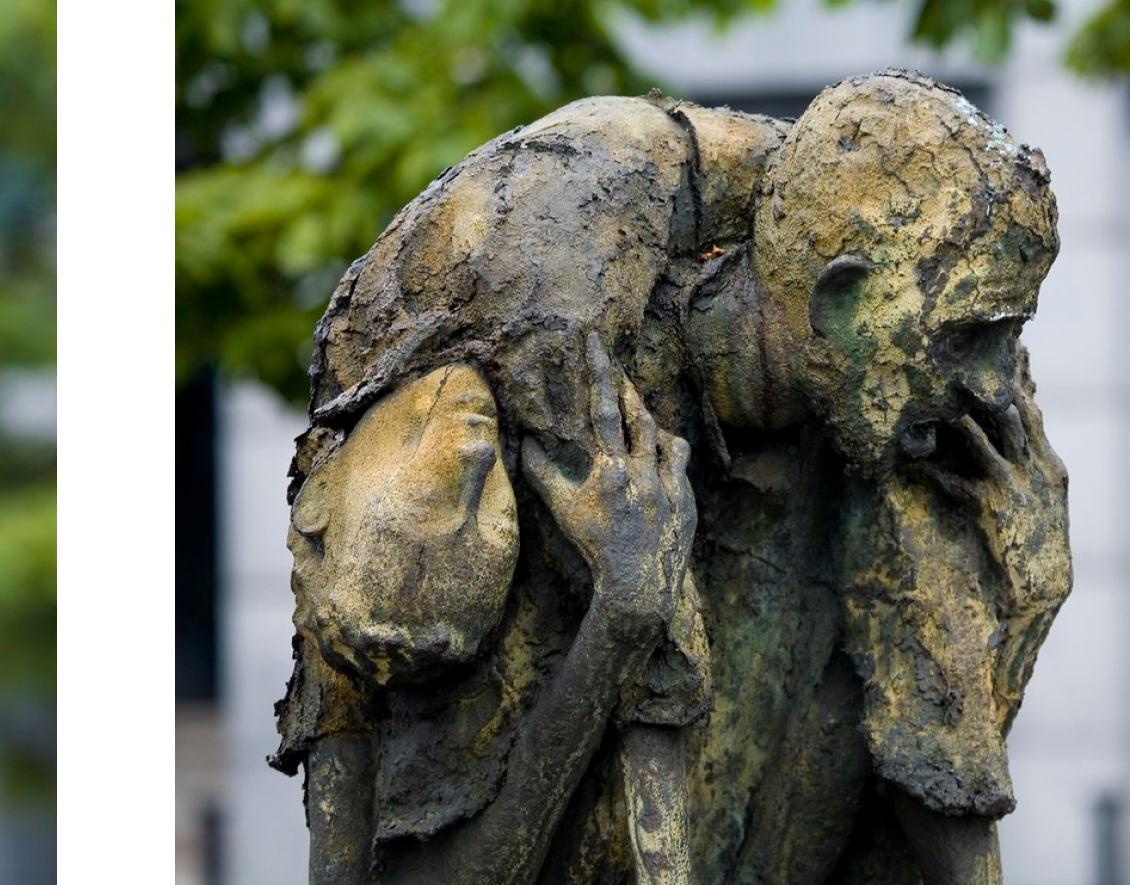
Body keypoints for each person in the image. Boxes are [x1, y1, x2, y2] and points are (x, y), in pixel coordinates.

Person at [276, 69, 1069, 882]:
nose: (995, 388)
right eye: (969, 337)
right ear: (837, 299)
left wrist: (1019, 608)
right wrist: (618, 622)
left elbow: (913, 817)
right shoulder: (543, 449)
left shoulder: (904, 465)